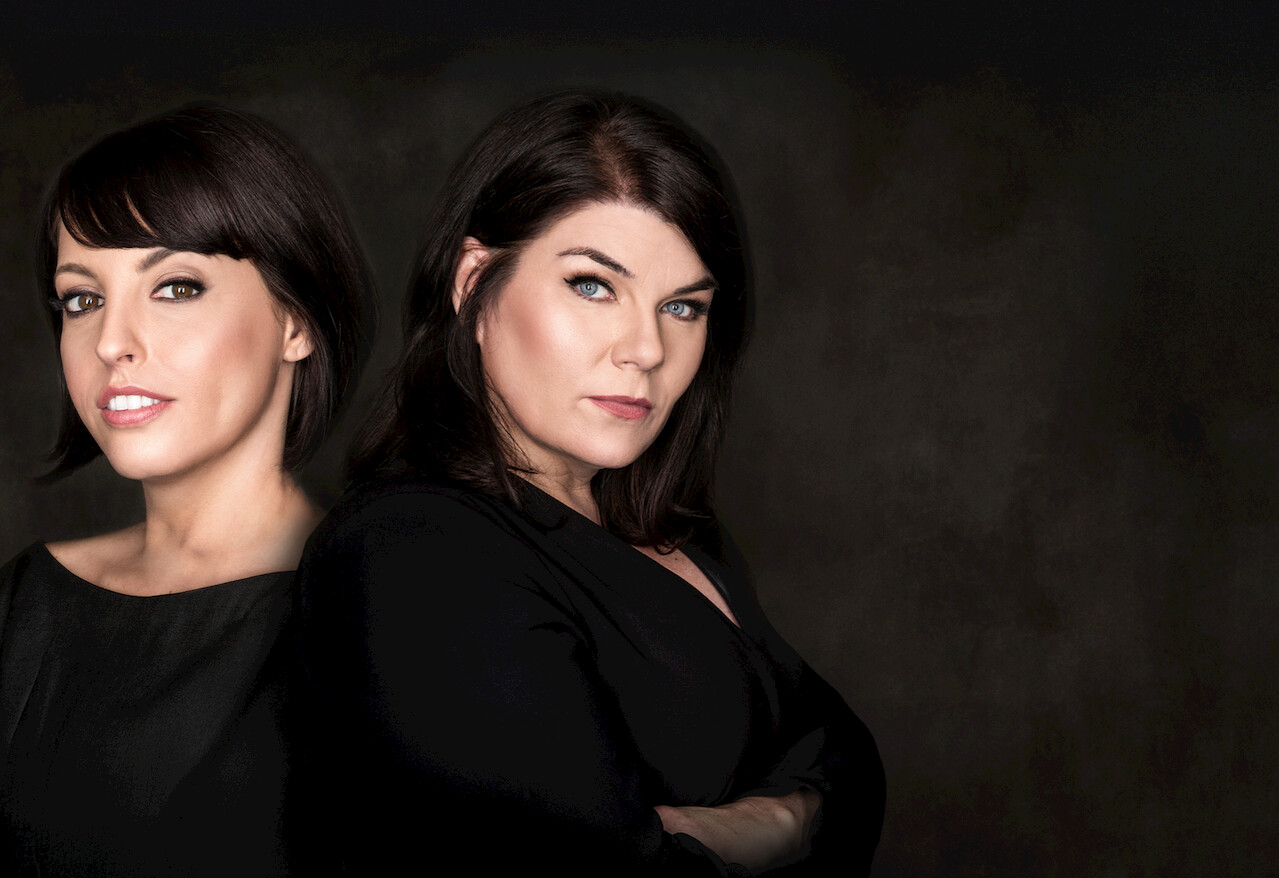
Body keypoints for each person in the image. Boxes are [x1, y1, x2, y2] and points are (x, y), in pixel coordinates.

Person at [290, 89, 884, 875]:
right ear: (474, 283)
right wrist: (794, 821)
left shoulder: (676, 533)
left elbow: (848, 761)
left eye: (683, 307)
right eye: (594, 285)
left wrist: (773, 822)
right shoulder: (413, 553)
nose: (646, 348)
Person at [0, 104, 373, 877]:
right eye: (82, 300)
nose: (111, 342)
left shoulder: (382, 614)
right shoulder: (25, 611)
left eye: (176, 287)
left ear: (296, 320)